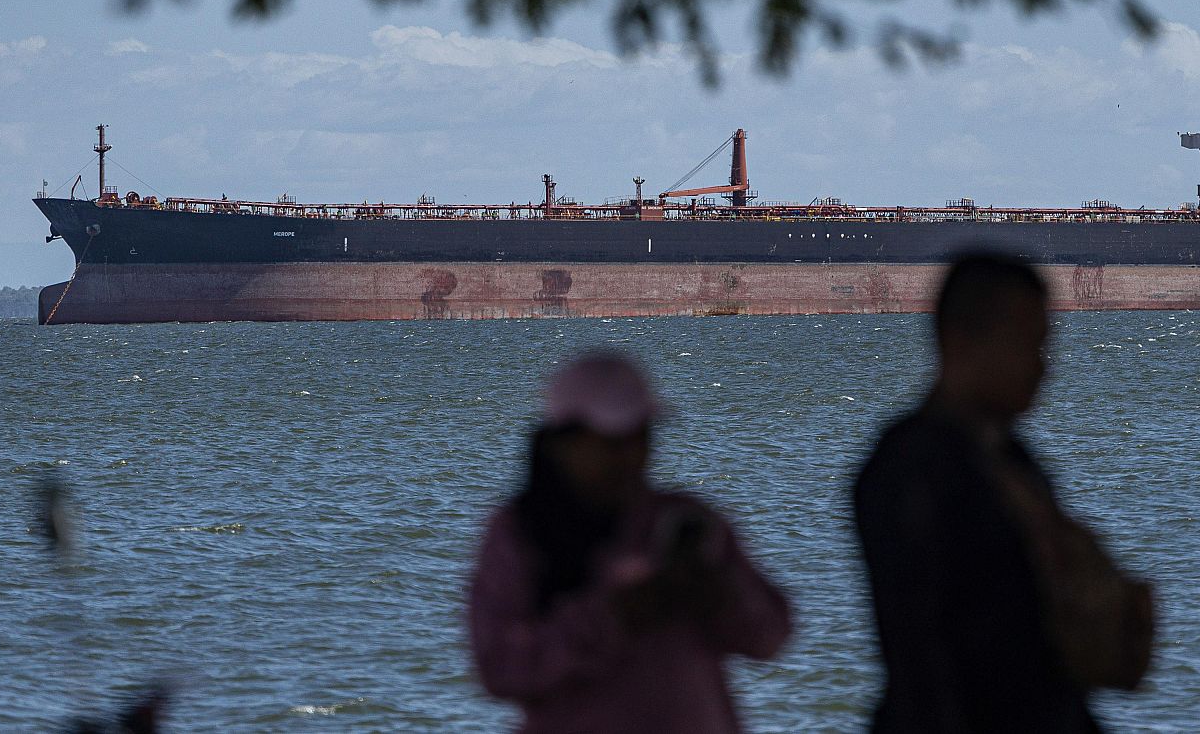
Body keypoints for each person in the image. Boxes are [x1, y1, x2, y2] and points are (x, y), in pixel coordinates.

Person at [854, 254, 1155, 733]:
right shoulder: (909, 469)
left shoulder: (1014, 457)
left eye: (1043, 345)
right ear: (958, 341)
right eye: (1024, 344)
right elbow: (922, 649)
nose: (1042, 367)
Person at [466, 351, 792, 733]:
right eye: (612, 442)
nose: (631, 455)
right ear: (563, 442)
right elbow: (500, 668)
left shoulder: (689, 521)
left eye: (641, 437)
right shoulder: (518, 533)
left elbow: (769, 636)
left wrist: (715, 593)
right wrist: (610, 617)